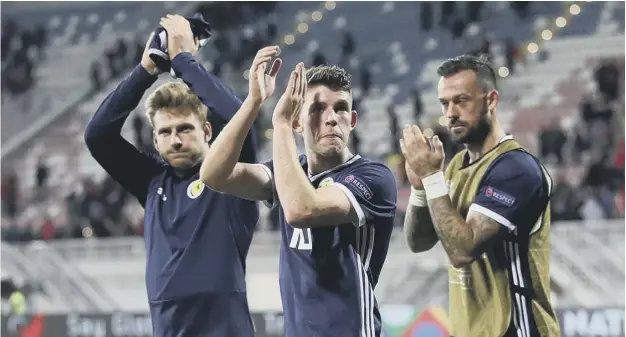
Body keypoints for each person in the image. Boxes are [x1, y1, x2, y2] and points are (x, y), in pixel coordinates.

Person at [84, 15, 266, 337]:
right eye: (165, 132)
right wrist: (146, 70)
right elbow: (98, 136)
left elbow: (240, 118)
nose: (176, 139)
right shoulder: (153, 182)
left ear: (208, 131)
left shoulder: (233, 175)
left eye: (185, 128)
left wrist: (184, 61)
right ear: (155, 140)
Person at [199, 62, 397, 337]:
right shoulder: (288, 171)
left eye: (340, 108)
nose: (331, 118)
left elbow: (302, 210)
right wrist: (253, 103)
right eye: (317, 109)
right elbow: (213, 175)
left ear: (352, 121)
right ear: (298, 121)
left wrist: (280, 125)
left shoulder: (373, 176)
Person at [400, 54, 560, 337]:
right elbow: (418, 241)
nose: (450, 113)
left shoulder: (516, 169)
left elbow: (463, 250)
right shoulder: (453, 168)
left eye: (461, 100)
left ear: (491, 100)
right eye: (444, 103)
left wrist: (432, 177)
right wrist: (420, 188)